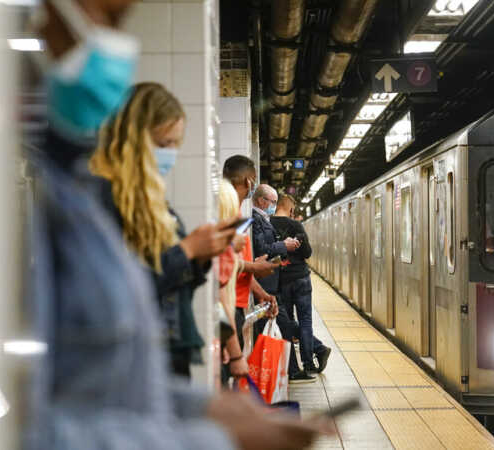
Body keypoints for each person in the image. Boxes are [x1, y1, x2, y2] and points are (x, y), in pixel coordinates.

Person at [24, 0, 331, 448]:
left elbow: (115, 386)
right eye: (107, 18)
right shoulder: (33, 204)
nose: (115, 46)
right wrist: (216, 438)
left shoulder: (79, 199)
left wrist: (206, 408)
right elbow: (30, 418)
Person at [90, 82, 231, 377]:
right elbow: (118, 290)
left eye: (175, 145)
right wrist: (188, 249)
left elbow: (170, 280)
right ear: (134, 139)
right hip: (133, 362)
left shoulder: (151, 202)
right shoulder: (102, 198)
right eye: (163, 143)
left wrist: (201, 255)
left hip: (163, 352)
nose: (170, 154)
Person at [251, 184, 316, 383]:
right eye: (271, 202)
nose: (272, 206)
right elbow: (263, 248)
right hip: (273, 283)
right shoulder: (258, 219)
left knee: (286, 325)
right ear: (262, 201)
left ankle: (292, 369)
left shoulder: (266, 220)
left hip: (278, 282)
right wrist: (284, 246)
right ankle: (300, 366)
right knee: (295, 323)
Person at [222, 155, 278, 351]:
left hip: (236, 303)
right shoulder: (226, 214)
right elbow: (224, 265)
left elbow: (237, 263)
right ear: (248, 181)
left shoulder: (236, 215)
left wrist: (261, 293)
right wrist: (255, 267)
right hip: (227, 306)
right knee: (230, 367)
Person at [271, 194, 331, 374]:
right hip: (301, 278)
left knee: (287, 323)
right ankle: (309, 363)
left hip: (281, 280)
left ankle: (291, 366)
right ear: (290, 209)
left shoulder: (268, 224)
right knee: (305, 321)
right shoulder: (295, 225)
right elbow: (307, 253)